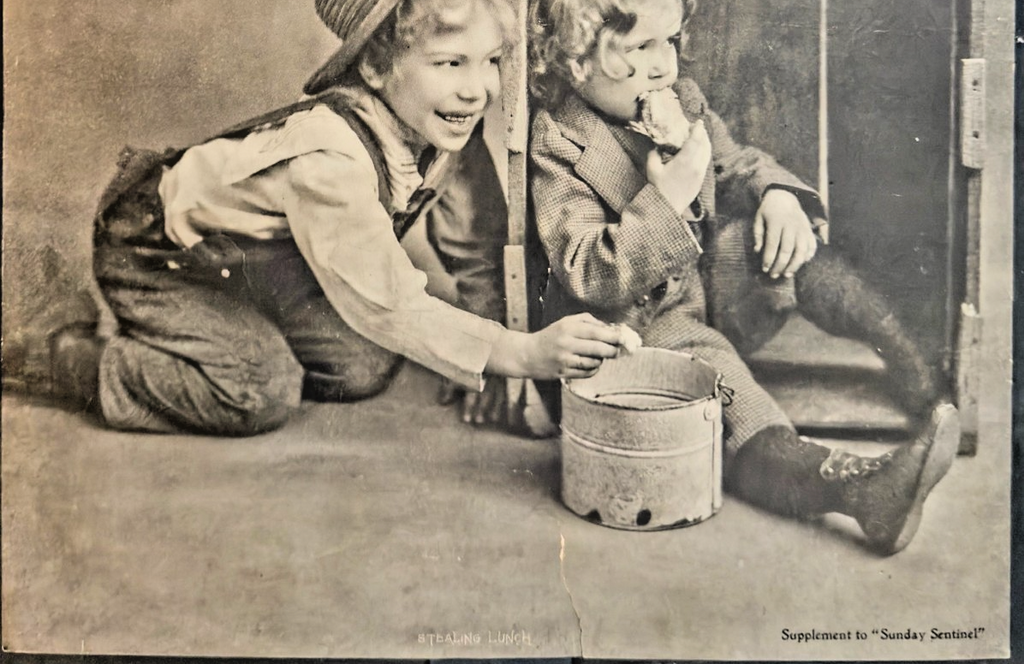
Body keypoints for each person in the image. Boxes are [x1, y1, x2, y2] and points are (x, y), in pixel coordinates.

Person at [5, 0, 632, 436]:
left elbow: (476, 240)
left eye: (490, 61)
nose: (478, 90)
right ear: (379, 67)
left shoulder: (439, 127)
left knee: (362, 365)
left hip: (262, 263)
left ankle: (227, 333)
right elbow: (388, 306)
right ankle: (62, 353)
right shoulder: (327, 161)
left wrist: (494, 348)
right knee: (259, 388)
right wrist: (518, 356)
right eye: (450, 63)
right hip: (163, 253)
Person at [527, 0, 960, 554]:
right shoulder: (558, 143)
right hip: (642, 328)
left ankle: (917, 372)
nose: (666, 66)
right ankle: (862, 490)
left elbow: (737, 164)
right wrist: (667, 195)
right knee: (735, 412)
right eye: (640, 48)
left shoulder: (681, 99)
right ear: (574, 59)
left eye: (672, 42)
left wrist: (776, 194)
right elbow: (590, 273)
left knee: (784, 243)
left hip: (706, 279)